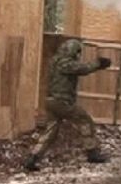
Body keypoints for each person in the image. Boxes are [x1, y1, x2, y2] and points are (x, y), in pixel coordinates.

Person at [23, 39, 111, 172]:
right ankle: (92, 152)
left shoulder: (55, 61)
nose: (77, 55)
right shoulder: (65, 63)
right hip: (62, 102)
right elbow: (82, 68)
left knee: (50, 132)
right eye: (77, 52)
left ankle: (33, 158)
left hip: (52, 101)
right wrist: (98, 63)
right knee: (84, 120)